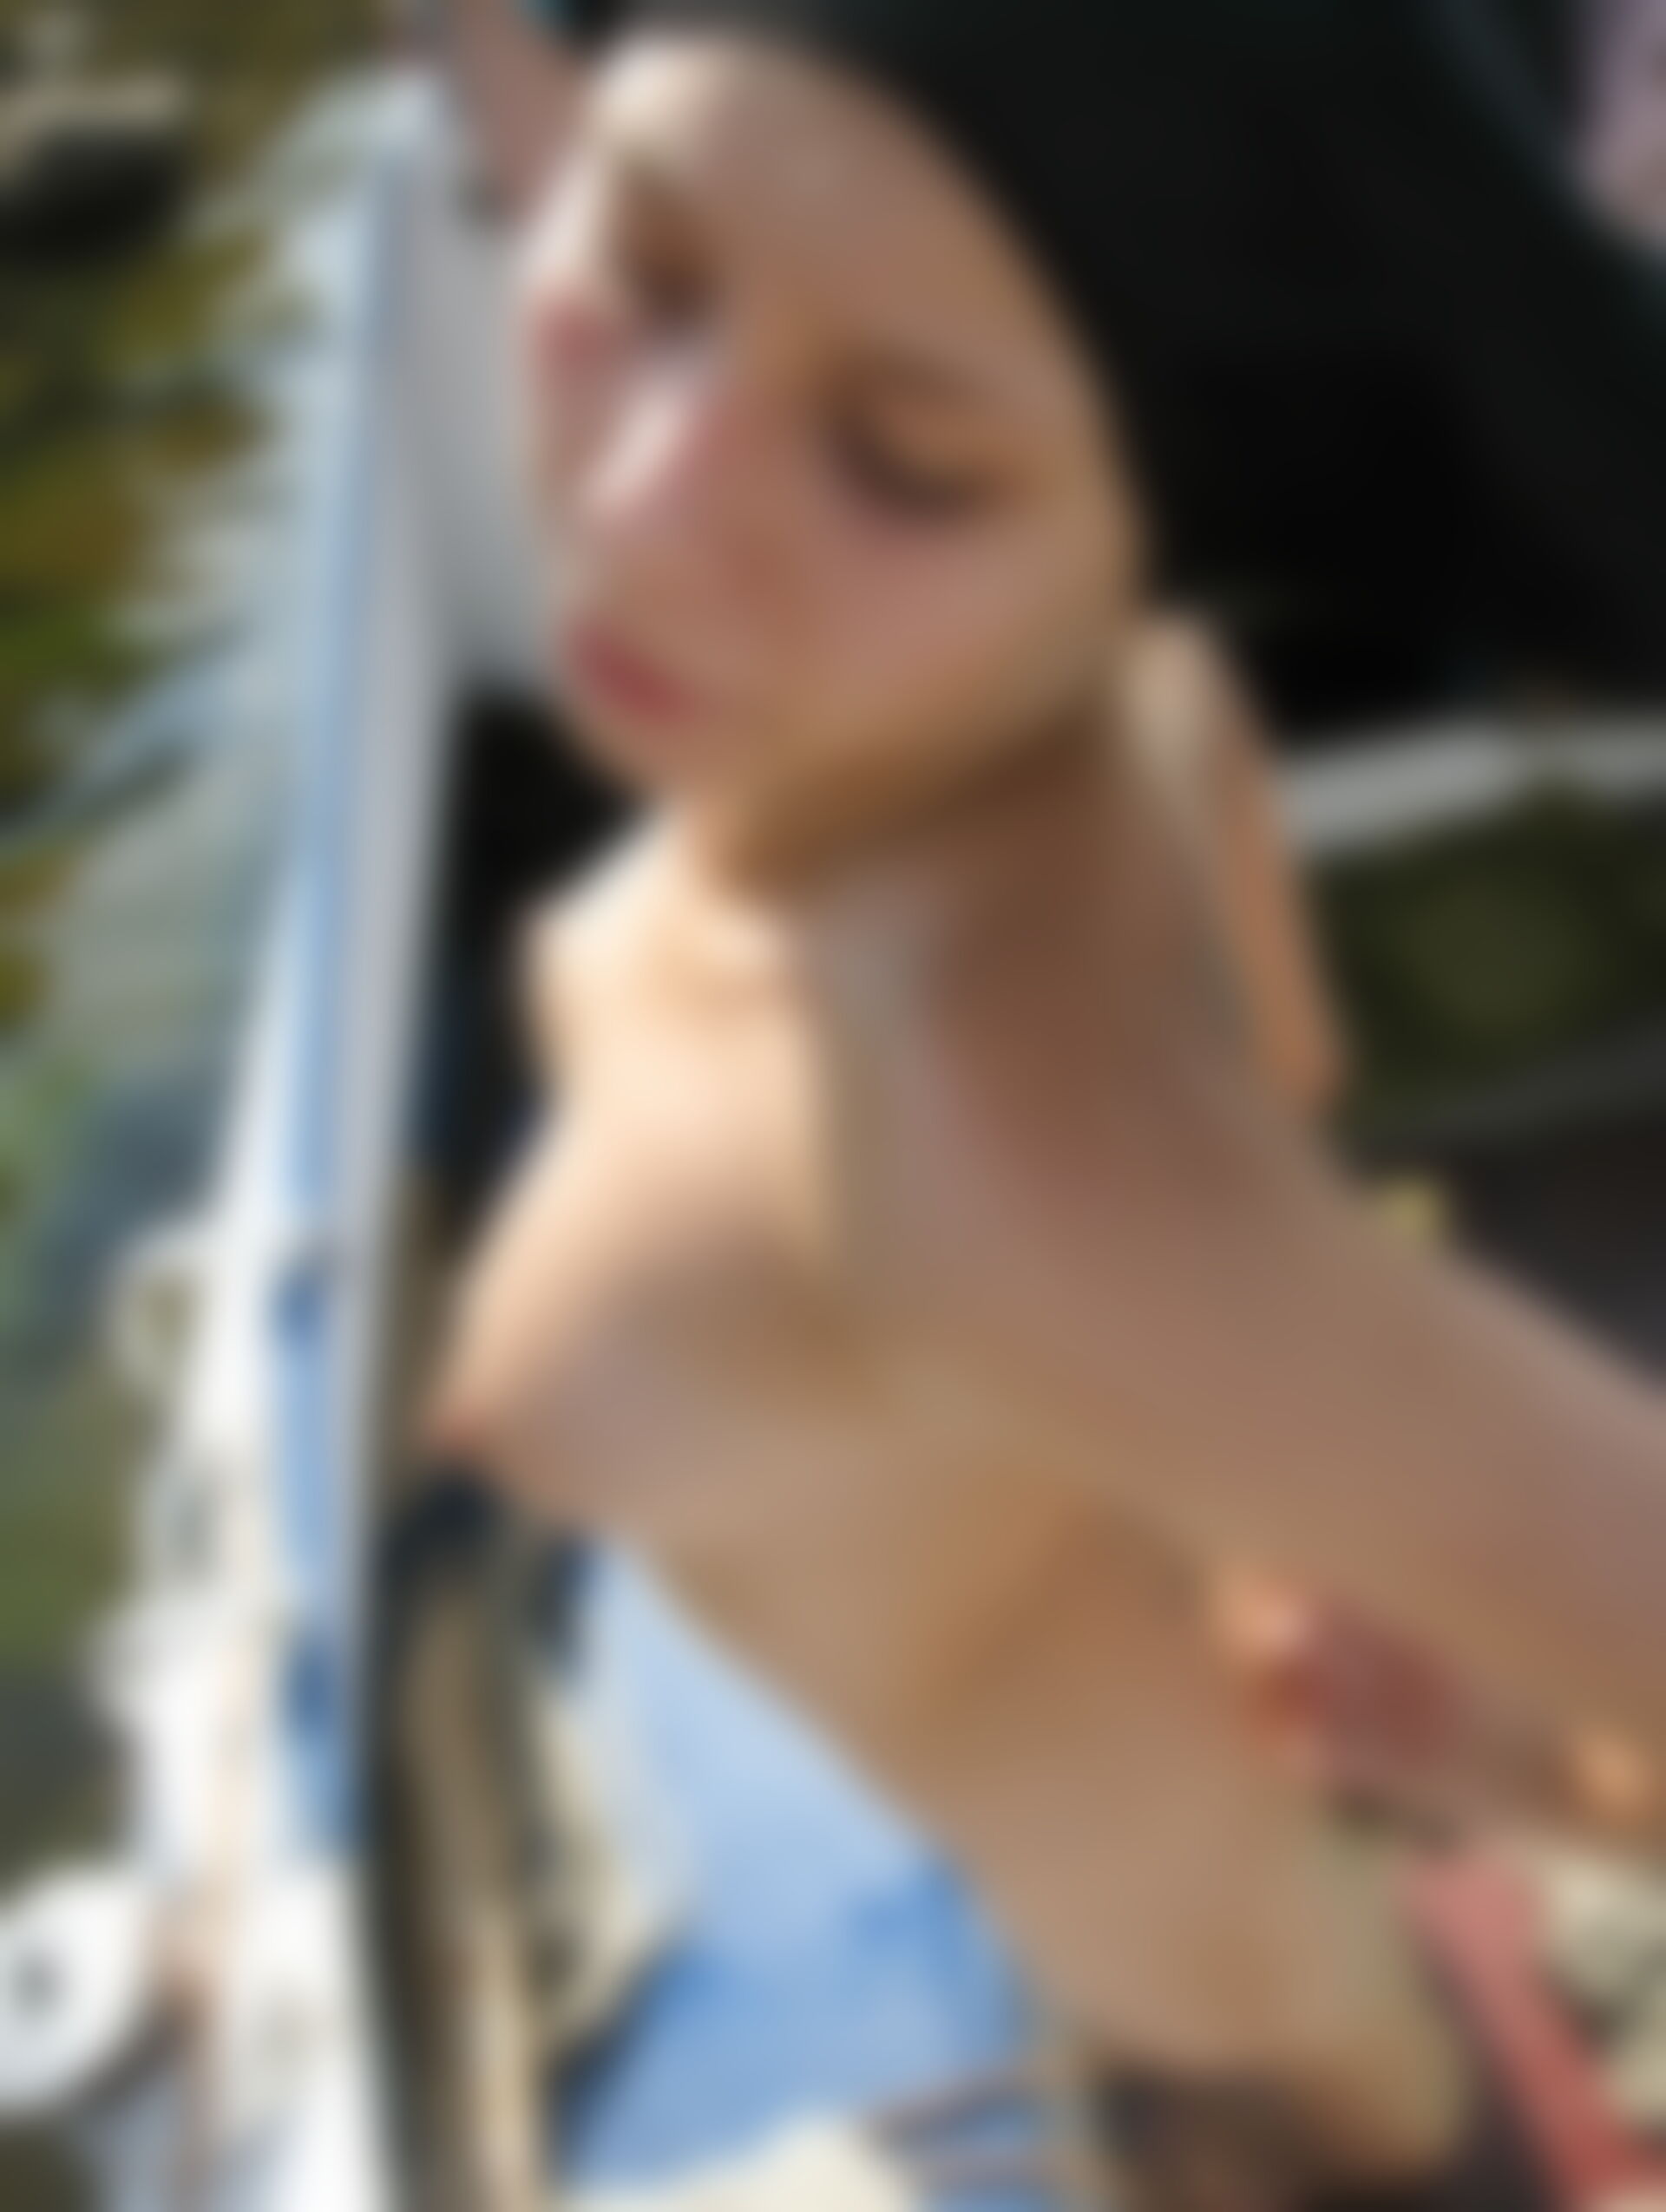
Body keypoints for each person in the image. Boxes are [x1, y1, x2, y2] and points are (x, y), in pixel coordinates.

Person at [425, 3, 1666, 2202]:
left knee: (1390, 2146)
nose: (637, 511)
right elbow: (1290, 1062)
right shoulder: (1137, 696)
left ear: (1139, 529)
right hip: (1165, 1745)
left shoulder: (965, 1152)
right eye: (649, 264)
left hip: (1226, 1971)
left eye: (907, 463)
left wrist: (1553, 1780)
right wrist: (1277, 1456)